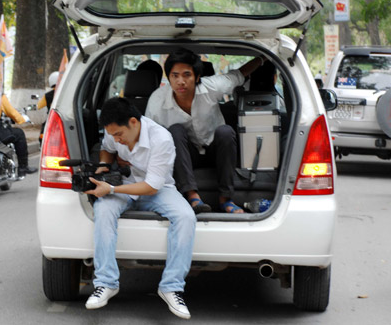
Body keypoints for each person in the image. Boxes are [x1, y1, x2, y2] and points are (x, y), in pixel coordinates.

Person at [84, 97, 196, 319]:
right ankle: (106, 283)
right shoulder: (114, 132)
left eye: (119, 134)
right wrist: (104, 166)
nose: (116, 139)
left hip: (158, 189)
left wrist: (111, 189)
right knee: (103, 210)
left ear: (133, 122)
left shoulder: (161, 138)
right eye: (112, 135)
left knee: (186, 217)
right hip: (125, 184)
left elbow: (152, 186)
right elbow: (106, 148)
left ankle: (171, 287)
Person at [145, 50, 264, 214]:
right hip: (185, 156)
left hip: (216, 152)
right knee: (175, 131)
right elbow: (148, 137)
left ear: (197, 77)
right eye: (175, 76)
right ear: (169, 77)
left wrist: (264, 57)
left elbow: (238, 75)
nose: (180, 81)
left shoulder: (211, 86)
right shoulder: (157, 100)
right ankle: (193, 197)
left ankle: (226, 200)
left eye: (187, 75)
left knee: (225, 131)